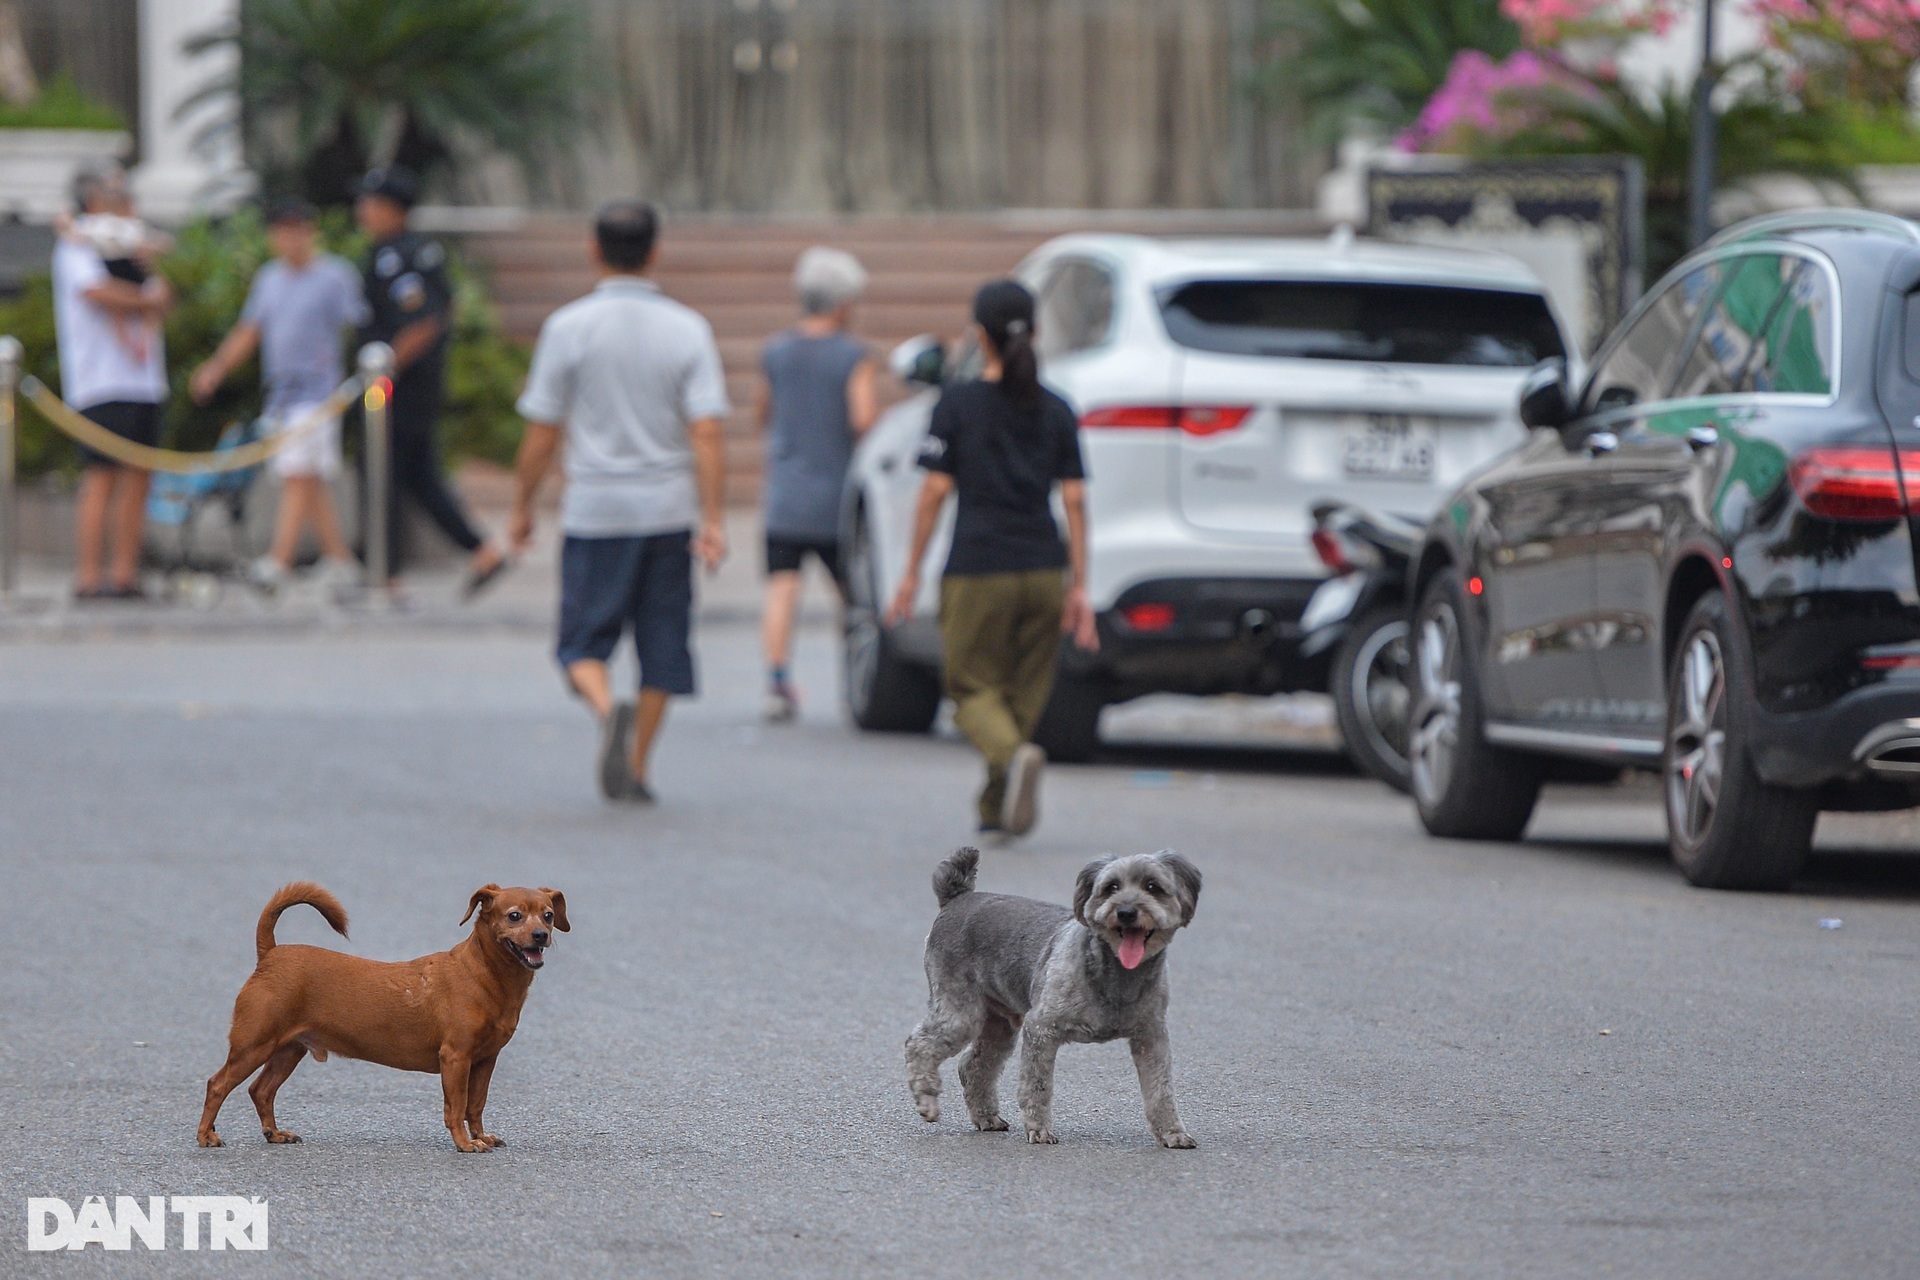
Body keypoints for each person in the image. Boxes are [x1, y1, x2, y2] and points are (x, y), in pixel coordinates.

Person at [508, 201, 731, 803]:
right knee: (663, 647)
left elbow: (543, 431)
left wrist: (522, 505)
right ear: (655, 251)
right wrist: (713, 517)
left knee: (579, 646)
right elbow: (707, 431)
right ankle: (636, 766)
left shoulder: (568, 327)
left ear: (593, 249)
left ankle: (609, 713)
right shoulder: (688, 328)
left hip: (596, 509)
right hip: (667, 509)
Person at [886, 280, 1098, 839]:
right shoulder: (1058, 409)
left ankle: (1012, 757)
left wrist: (909, 574)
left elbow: (934, 492)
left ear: (979, 336)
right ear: (1036, 332)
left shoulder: (956, 404)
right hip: (1044, 569)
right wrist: (1080, 586)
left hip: (978, 569)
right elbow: (1075, 500)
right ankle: (994, 808)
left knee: (969, 687)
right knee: (1021, 694)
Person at [190, 198, 368, 599]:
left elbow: (358, 326)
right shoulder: (269, 278)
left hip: (319, 392)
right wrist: (217, 367)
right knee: (307, 477)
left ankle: (279, 560)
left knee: (297, 472)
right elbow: (250, 329)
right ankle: (340, 558)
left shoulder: (335, 275)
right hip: (280, 393)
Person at [353, 166, 508, 599]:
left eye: (370, 203)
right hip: (400, 385)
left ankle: (384, 571)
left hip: (398, 387)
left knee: (381, 471)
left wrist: (384, 370)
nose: (362, 211)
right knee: (418, 474)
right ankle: (479, 549)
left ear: (393, 209)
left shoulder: (403, 256)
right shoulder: (394, 253)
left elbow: (424, 321)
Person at [755, 246, 879, 722]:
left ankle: (777, 681)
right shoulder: (854, 356)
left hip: (786, 494)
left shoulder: (775, 352)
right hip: (835, 496)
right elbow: (863, 418)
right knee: (851, 594)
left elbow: (762, 412)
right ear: (843, 303)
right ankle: (858, 674)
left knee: (782, 589)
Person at [52, 160, 173, 601]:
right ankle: (89, 576)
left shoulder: (131, 240)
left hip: (143, 380)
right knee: (101, 475)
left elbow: (161, 293)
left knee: (139, 477)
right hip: (100, 380)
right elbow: (95, 290)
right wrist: (143, 298)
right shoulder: (78, 243)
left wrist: (150, 288)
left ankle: (125, 574)